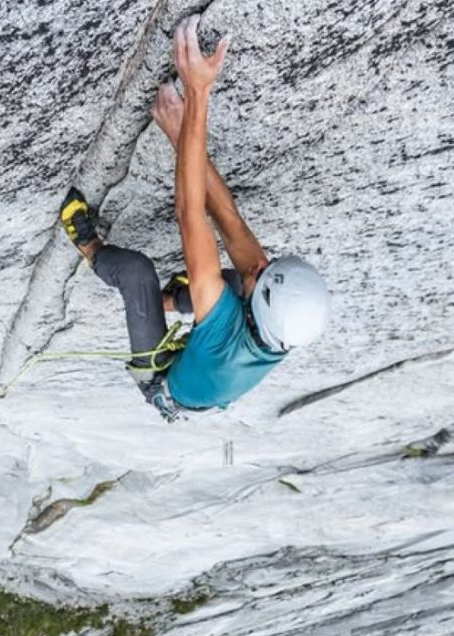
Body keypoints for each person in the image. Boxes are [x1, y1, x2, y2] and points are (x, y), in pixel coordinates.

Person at [59, 16, 329, 421]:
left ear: (256, 314)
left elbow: (189, 212)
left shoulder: (226, 336)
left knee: (137, 274)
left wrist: (198, 92)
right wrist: (178, 130)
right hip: (214, 356)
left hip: (167, 385)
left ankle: (88, 244)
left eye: (263, 274)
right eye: (270, 265)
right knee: (232, 281)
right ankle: (172, 301)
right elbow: (226, 215)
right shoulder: (277, 321)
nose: (261, 262)